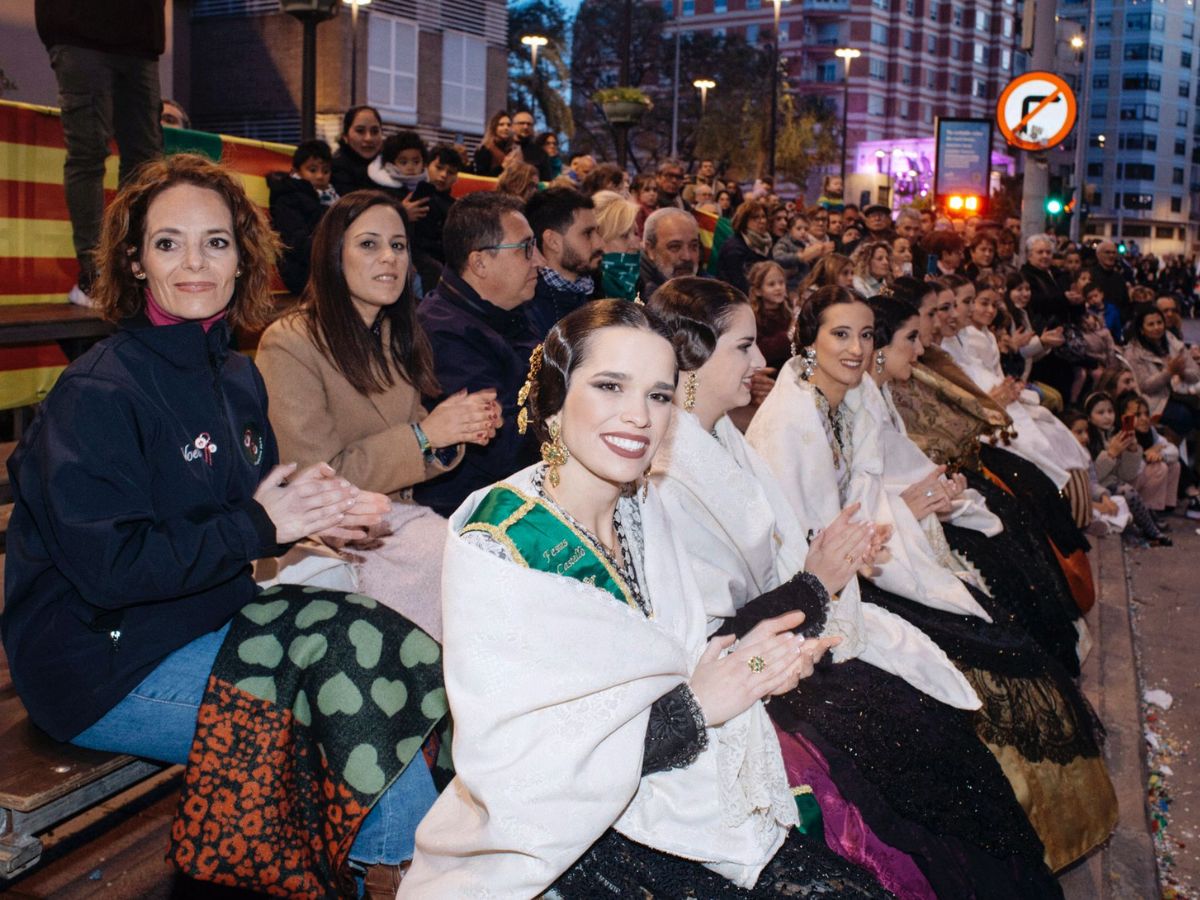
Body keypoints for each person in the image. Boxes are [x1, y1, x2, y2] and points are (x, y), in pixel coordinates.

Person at [0, 153, 446, 898]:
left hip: (202, 617)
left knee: (384, 638)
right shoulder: (99, 392)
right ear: (136, 262)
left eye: (215, 241)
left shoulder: (233, 374)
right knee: (344, 711)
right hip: (102, 663)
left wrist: (317, 517)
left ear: (244, 256)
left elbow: (245, 503)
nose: (194, 263)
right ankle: (406, 875)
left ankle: (415, 866)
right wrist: (259, 526)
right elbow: (112, 570)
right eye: (167, 243)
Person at [402, 300, 891, 897]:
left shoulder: (639, 505)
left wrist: (754, 663)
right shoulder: (499, 539)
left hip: (664, 793)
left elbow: (673, 664)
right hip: (569, 847)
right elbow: (524, 771)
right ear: (553, 399)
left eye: (659, 396)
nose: (639, 417)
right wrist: (700, 705)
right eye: (611, 386)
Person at [648, 279, 1064, 899]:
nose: (761, 361)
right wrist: (821, 581)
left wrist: (834, 566)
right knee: (916, 753)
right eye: (743, 347)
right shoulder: (665, 473)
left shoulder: (718, 436)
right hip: (756, 675)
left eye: (866, 335)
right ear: (693, 355)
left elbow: (811, 535)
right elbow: (716, 633)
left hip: (802, 630)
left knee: (945, 726)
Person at [748, 285, 1117, 874]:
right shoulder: (788, 420)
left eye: (866, 335)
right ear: (807, 339)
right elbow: (796, 541)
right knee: (966, 673)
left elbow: (867, 490)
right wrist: (887, 527)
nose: (856, 348)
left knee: (998, 627)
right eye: (840, 334)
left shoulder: (853, 397)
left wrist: (905, 513)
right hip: (819, 600)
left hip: (867, 569)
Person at [414, 193, 544, 516]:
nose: (539, 260)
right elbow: (503, 448)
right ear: (479, 263)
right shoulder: (444, 334)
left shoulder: (505, 308)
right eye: (526, 248)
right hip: (478, 511)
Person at [36, 0, 165, 306]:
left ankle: (129, 267)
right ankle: (95, 273)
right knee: (89, 153)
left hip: (141, 37)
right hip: (79, 28)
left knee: (146, 162)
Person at [1083, 392, 1171, 543]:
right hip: (1095, 487)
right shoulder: (1088, 439)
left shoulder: (1113, 434)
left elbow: (1126, 474)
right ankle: (1151, 530)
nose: (1107, 416)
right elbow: (1093, 476)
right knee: (1127, 491)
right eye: (1100, 412)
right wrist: (1111, 454)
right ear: (1089, 417)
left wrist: (1132, 451)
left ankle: (1147, 524)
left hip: (1112, 482)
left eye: (1110, 411)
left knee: (1128, 486)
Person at [524, 187, 603, 338]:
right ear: (553, 241)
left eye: (597, 232)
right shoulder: (530, 311)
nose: (600, 244)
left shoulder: (592, 288)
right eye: (587, 233)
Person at [268, 139, 338, 297]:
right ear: (296, 172)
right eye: (312, 170)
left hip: (327, 267)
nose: (320, 176)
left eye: (326, 171)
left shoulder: (334, 195)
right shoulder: (287, 198)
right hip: (302, 272)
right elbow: (295, 242)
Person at [1124, 304, 1200, 441]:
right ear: (1141, 329)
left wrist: (1182, 372)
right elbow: (1145, 386)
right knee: (1183, 416)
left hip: (1182, 392)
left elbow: (1196, 374)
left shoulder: (1172, 340)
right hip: (1153, 400)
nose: (1157, 327)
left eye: (1159, 323)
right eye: (1151, 324)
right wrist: (1168, 372)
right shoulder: (1133, 352)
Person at [407, 144, 462, 293]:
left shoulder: (456, 205)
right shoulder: (413, 193)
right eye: (439, 168)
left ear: (456, 177)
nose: (444, 175)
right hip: (417, 251)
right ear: (427, 166)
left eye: (450, 172)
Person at [638, 207, 701, 300]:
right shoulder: (637, 294)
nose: (687, 256)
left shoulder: (708, 287)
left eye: (694, 246)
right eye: (675, 247)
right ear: (650, 249)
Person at [592, 189, 642, 301]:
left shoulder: (639, 283)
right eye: (624, 235)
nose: (636, 245)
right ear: (597, 240)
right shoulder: (585, 294)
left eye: (635, 233)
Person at [715, 199, 772, 293]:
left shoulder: (766, 243)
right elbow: (738, 284)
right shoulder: (734, 247)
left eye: (763, 217)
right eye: (755, 217)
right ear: (744, 220)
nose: (762, 221)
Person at [746, 261, 794, 371]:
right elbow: (761, 350)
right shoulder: (753, 318)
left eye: (781, 283)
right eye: (771, 284)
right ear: (758, 291)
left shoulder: (788, 312)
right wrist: (788, 336)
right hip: (767, 371)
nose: (778, 288)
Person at [330, 105, 383, 196]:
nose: (368, 138)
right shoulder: (335, 170)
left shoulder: (391, 164)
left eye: (374, 131)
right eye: (360, 131)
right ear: (345, 136)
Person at [472, 109, 513, 177]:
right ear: (494, 128)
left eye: (509, 125)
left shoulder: (512, 150)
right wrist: (502, 167)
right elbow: (481, 177)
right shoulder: (484, 149)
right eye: (501, 125)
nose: (506, 128)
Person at [510, 108, 546, 173]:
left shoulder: (541, 154)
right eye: (521, 123)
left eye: (529, 124)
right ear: (512, 127)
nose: (525, 127)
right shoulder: (503, 148)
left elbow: (546, 181)